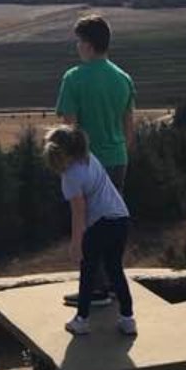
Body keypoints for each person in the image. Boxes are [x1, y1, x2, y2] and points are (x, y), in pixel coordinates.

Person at [55, 13, 136, 307]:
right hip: (117, 159)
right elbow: (129, 128)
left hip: (88, 162)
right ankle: (113, 285)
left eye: (79, 42)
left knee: (88, 225)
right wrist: (120, 151)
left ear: (88, 45)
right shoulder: (123, 78)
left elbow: (69, 129)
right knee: (112, 222)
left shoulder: (74, 78)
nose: (77, 47)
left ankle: (95, 289)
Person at [43, 124, 136, 337]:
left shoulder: (70, 177)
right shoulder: (89, 158)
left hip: (100, 222)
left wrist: (77, 244)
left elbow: (79, 212)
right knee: (115, 269)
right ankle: (128, 318)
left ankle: (81, 320)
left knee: (88, 270)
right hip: (121, 217)